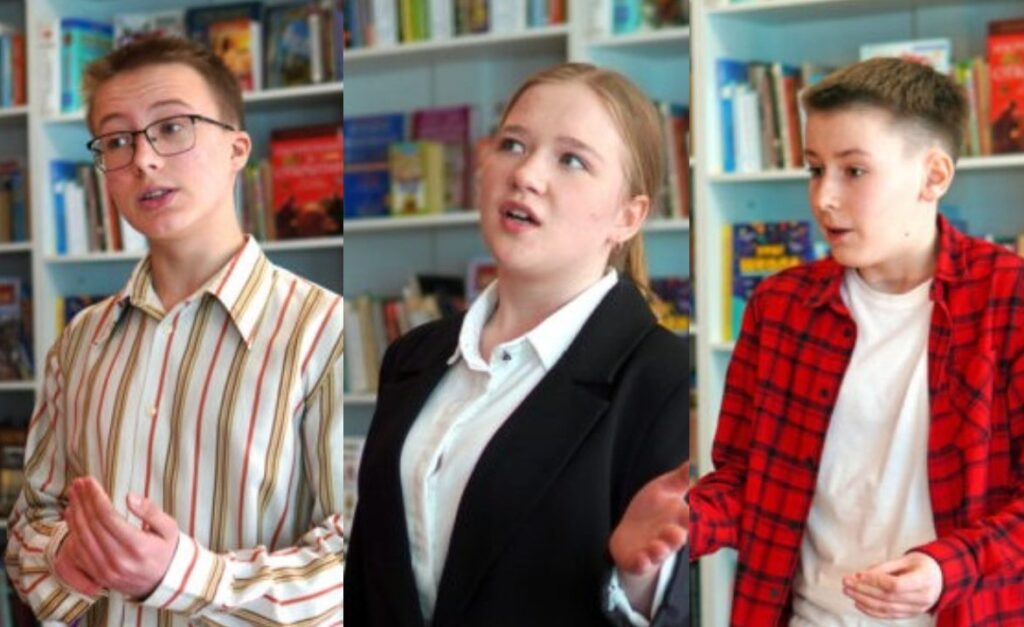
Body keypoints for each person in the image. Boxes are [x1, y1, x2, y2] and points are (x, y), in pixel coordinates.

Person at [5, 36, 344, 625]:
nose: (144, 160)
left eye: (171, 128)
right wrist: (64, 558)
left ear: (237, 149)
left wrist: (182, 576)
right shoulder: (79, 342)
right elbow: (30, 522)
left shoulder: (323, 333)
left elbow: (357, 560)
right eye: (117, 141)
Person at [344, 62, 690, 626]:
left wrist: (638, 581)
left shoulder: (664, 377)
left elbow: (681, 602)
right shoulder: (412, 357)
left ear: (628, 217)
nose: (526, 173)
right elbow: (368, 578)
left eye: (571, 159)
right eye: (512, 144)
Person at [688, 56, 1024, 626]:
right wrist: (678, 522)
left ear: (933, 176)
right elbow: (745, 480)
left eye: (855, 171)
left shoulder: (1008, 298)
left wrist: (944, 570)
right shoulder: (778, 306)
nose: (824, 197)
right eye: (815, 169)